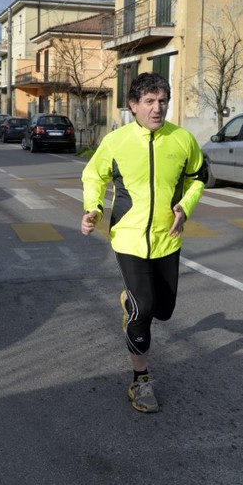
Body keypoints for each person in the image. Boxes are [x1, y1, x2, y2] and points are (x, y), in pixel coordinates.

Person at [81, 72, 205, 413]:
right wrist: (93, 208)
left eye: (162, 101)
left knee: (164, 311)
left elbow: (197, 179)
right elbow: (93, 175)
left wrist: (185, 207)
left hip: (168, 239)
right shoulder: (115, 142)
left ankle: (131, 304)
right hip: (129, 239)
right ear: (133, 105)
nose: (157, 108)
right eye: (149, 101)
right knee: (144, 309)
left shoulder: (182, 139)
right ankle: (141, 380)